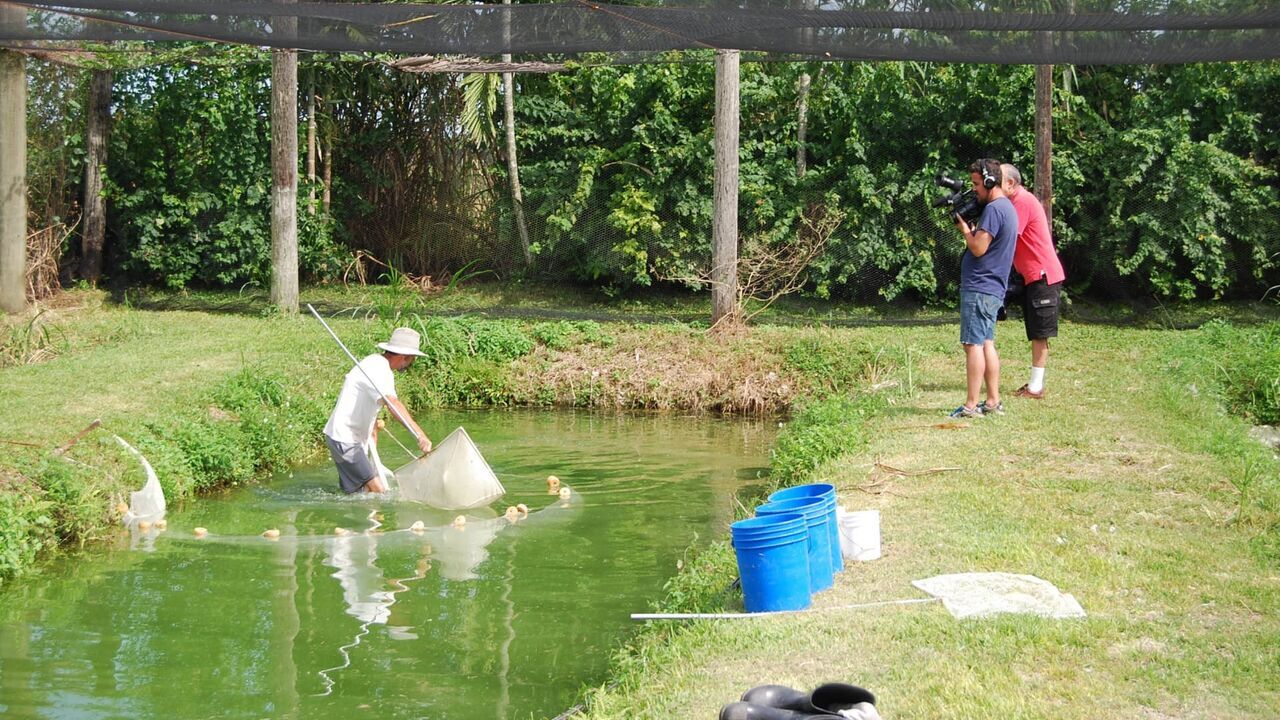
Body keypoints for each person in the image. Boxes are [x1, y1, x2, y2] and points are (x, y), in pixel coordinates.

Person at [323, 327, 432, 493]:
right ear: (405, 357)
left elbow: (371, 409)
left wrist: (371, 441)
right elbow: (393, 403)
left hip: (345, 439)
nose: (411, 364)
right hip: (345, 440)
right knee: (379, 492)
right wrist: (420, 435)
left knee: (357, 494)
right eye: (412, 359)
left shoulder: (375, 363)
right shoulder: (379, 369)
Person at [950, 158, 1018, 418]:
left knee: (973, 344)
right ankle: (992, 401)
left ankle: (970, 405)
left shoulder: (993, 209)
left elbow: (978, 247)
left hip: (980, 287)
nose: (974, 190)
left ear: (990, 182)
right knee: (986, 342)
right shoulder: (1007, 208)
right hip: (992, 288)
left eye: (977, 184)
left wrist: (965, 230)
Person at [1001, 163, 1066, 399]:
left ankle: (1036, 388)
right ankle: (1034, 385)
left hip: (1043, 276)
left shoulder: (1022, 202)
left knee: (1040, 332)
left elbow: (1008, 236)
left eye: (997, 181)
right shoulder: (1013, 202)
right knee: (1035, 330)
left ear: (1011, 183)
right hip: (1032, 277)